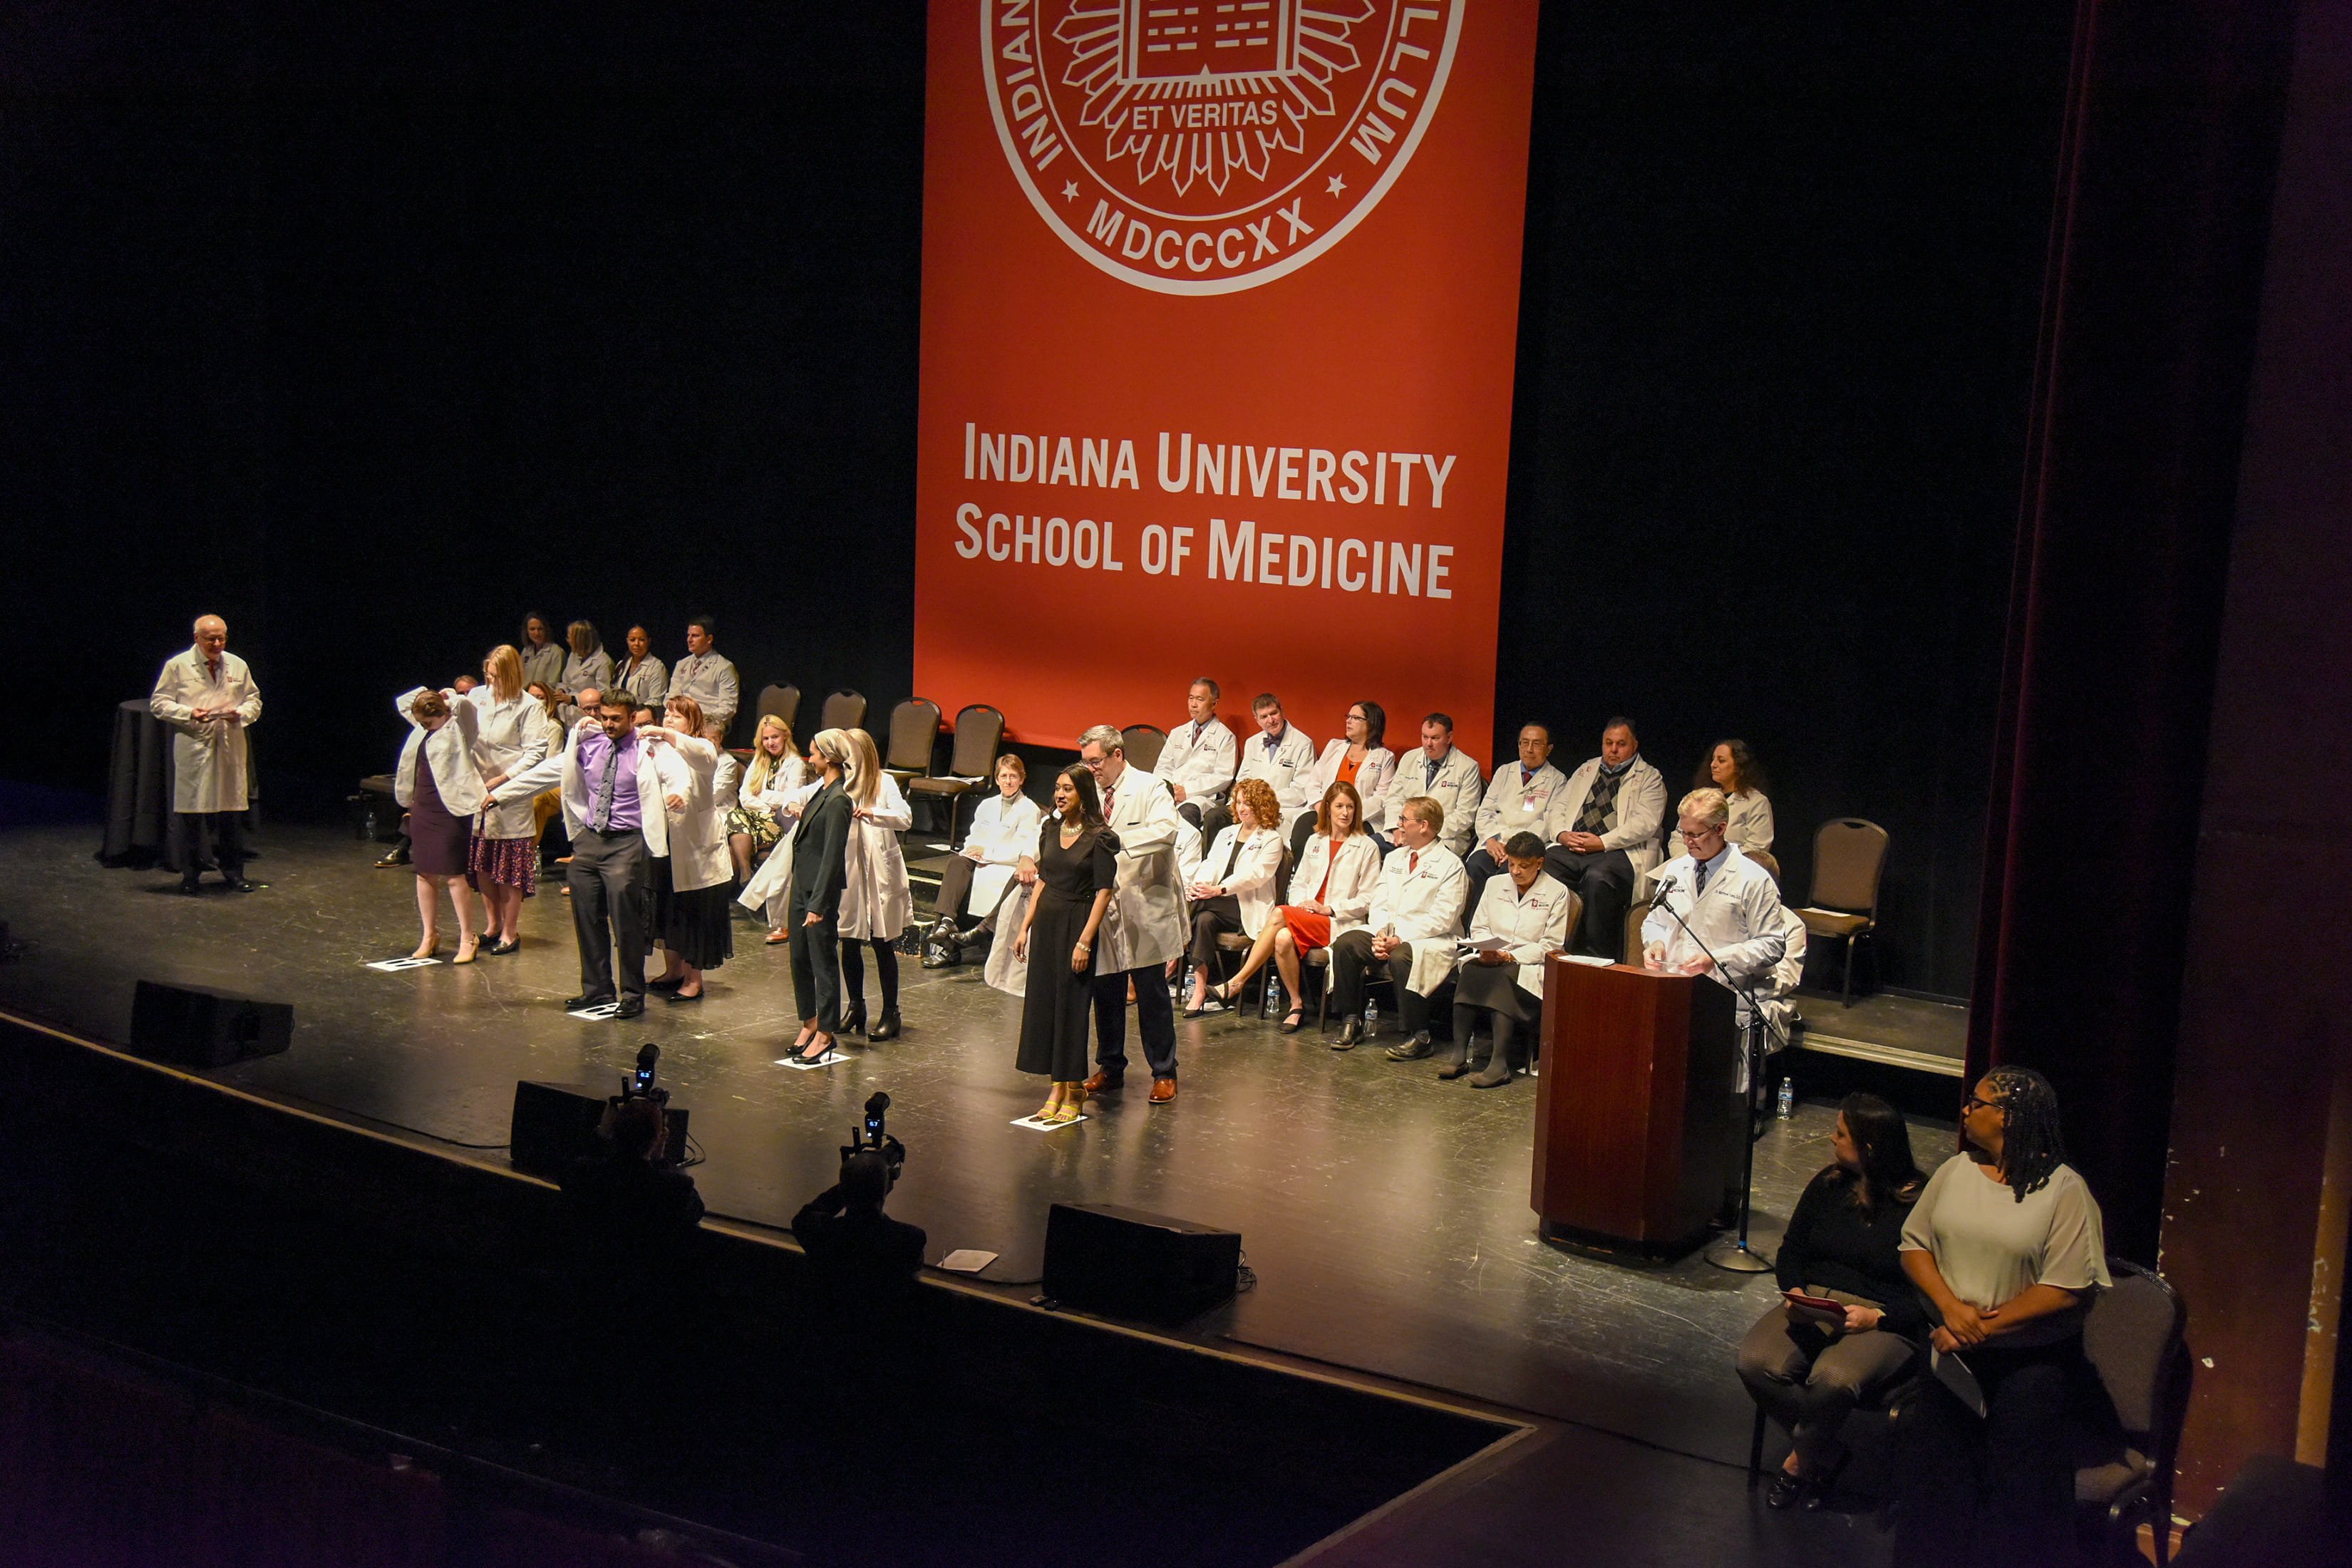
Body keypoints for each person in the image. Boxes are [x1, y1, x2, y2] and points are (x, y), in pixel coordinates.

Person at [1897, 1068, 2111, 1567]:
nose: (1966, 1110)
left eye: (1978, 1102)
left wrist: (1982, 1329)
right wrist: (1951, 1308)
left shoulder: (2064, 1191)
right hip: (1950, 1356)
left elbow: (2065, 1291)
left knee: (2016, 1504)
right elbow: (1914, 1246)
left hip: (2027, 1370)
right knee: (1937, 1489)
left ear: (2010, 1119)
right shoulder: (1956, 1171)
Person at [1737, 1093, 1928, 1510]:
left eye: (1841, 1133)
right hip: (1818, 1303)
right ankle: (1825, 1452)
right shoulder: (1829, 1183)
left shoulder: (1920, 1202)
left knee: (1834, 1378)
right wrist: (1797, 1293)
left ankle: (1799, 1462)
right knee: (1754, 1362)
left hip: (1882, 1316)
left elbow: (1932, 1295)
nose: (1831, 1139)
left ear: (1869, 1147)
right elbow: (1791, 1251)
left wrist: (1878, 1318)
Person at [1070, 725, 1191, 1104]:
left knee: (1152, 992)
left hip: (1144, 902)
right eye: (1086, 763)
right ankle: (1110, 1068)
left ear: (1117, 755)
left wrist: (1117, 842)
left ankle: (1164, 1072)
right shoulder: (1090, 792)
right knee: (1106, 991)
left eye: (1096, 761)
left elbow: (1167, 831)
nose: (1091, 770)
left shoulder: (1150, 787)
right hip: (1105, 904)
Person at [530, 692, 668, 1018]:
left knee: (625, 920)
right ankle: (597, 989)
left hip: (627, 842)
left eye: (615, 718)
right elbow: (547, 772)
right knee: (586, 915)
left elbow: (681, 776)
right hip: (591, 840)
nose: (608, 723)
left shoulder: (645, 751)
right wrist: (501, 791)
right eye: (604, 717)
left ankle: (633, 993)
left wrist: (678, 795)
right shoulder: (590, 746)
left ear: (632, 718)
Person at [1211, 780, 1380, 1034]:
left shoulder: (1367, 846)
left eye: (1350, 807)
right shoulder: (1315, 840)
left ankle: (1237, 982)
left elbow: (1368, 899)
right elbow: (1299, 883)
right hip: (1307, 915)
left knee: (1279, 913)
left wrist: (1329, 909)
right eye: (1339, 806)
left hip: (1339, 921)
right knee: (1281, 938)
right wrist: (1304, 905)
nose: (1345, 813)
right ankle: (1296, 1004)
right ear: (1328, 809)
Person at [1013, 765, 1119, 1123]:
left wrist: (1085, 942)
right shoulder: (1051, 828)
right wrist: (1025, 926)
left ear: (1083, 794)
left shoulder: (1099, 837)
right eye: (1057, 788)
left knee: (1072, 1009)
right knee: (1046, 1006)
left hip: (1077, 924)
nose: (1060, 795)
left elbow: (1104, 892)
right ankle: (1058, 1086)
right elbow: (1043, 879)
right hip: (1046, 924)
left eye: (1068, 790)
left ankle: (1072, 1086)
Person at [1640, 788, 1791, 1030]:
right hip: (1673, 992)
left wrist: (1717, 960)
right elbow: (1655, 921)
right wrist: (1656, 943)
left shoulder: (1754, 879)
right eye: (1683, 833)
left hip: (1724, 999)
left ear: (1720, 829)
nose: (1687, 841)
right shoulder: (1675, 870)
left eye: (1696, 835)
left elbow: (1772, 944)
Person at [1327, 796, 1469, 1052]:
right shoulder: (1395, 859)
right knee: (1346, 943)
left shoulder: (1451, 866)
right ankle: (1351, 1019)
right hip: (1389, 931)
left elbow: (1443, 918)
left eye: (1404, 819)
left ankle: (1419, 1034)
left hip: (1430, 939)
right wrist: (1382, 933)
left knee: (1402, 956)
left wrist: (1399, 938)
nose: (1399, 824)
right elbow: (1379, 902)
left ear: (1424, 825)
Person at [1439, 831, 1572, 1084]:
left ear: (1539, 863)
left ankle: (1499, 1064)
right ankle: (1458, 1056)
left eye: (1524, 866)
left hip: (1529, 965)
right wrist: (1486, 949)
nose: (1516, 871)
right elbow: (1478, 927)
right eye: (1511, 863)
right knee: (1471, 970)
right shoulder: (1494, 884)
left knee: (1505, 975)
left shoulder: (1557, 892)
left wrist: (1509, 955)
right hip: (1492, 956)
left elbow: (1552, 944)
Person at [150, 614, 264, 894]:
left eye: (221, 637)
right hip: (195, 746)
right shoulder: (177, 666)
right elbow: (159, 703)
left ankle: (234, 873)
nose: (217, 643)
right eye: (211, 638)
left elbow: (254, 699)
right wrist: (189, 713)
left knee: (231, 816)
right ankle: (192, 875)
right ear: (197, 638)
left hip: (229, 744)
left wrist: (242, 714)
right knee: (193, 817)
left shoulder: (237, 664)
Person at [1545, 717, 1668, 959]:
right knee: (1544, 864)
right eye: (1608, 743)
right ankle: (1550, 945)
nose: (1613, 750)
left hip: (1618, 852)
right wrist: (1562, 834)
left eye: (1621, 744)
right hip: (1574, 847)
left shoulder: (1650, 778)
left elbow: (1645, 824)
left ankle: (1594, 955)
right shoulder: (1586, 769)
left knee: (1598, 878)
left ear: (1634, 746)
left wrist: (1602, 843)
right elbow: (1559, 806)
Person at [462, 646, 554, 955]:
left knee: (509, 868)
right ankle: (492, 925)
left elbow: (536, 752)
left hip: (510, 794)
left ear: (512, 675)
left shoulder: (528, 707)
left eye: (496, 676)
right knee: (484, 864)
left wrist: (505, 779)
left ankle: (511, 932)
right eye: (487, 674)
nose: (490, 680)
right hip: (477, 790)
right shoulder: (477, 697)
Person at [642, 696, 732, 1004]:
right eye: (666, 714)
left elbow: (690, 777)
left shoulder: (704, 747)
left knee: (695, 914)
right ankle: (674, 971)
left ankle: (695, 979)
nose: (668, 719)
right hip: (665, 842)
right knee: (667, 908)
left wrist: (666, 734)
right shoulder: (657, 751)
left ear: (692, 722)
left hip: (698, 849)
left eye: (676, 716)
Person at [391, 686, 485, 962]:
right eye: (421, 723)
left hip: (451, 808)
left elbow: (468, 708)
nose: (424, 727)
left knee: (454, 875)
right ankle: (429, 935)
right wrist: (428, 694)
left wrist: (450, 698)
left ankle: (468, 937)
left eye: (429, 722)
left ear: (444, 713)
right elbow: (402, 701)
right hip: (423, 805)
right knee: (424, 873)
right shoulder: (423, 729)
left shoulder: (460, 729)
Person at [1180, 777, 1286, 1017]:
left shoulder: (1272, 839)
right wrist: (1202, 885)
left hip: (1245, 906)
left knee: (1200, 903)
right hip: (1215, 903)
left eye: (1248, 803)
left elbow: (1257, 875)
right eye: (1238, 802)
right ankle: (1199, 990)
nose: (1241, 808)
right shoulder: (1227, 832)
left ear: (1262, 805)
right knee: (1204, 919)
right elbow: (1211, 863)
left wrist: (1219, 890)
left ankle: (1178, 944)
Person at [785, 729, 858, 1063]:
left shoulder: (840, 798)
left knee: (822, 963)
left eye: (813, 753)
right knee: (799, 957)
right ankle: (809, 1022)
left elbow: (833, 855)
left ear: (828, 758)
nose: (809, 758)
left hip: (819, 893)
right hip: (802, 885)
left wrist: (818, 904)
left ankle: (826, 1033)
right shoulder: (822, 792)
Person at [926, 753, 1041, 964]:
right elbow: (974, 836)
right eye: (1004, 776)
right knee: (957, 863)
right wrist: (972, 849)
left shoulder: (1029, 809)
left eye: (1013, 776)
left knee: (983, 873)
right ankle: (946, 922)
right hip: (983, 859)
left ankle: (954, 943)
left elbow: (1021, 849)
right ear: (996, 779)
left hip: (1007, 865)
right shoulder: (987, 805)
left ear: (1022, 779)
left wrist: (986, 852)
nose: (1008, 781)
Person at [837, 728, 914, 1041]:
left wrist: (873, 812)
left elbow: (905, 818)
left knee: (883, 942)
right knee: (849, 940)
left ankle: (891, 1013)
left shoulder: (884, 782)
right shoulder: (840, 781)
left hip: (879, 871)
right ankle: (856, 1005)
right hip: (851, 870)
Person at [1463, 723, 1570, 908]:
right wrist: (1490, 840)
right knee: (1476, 864)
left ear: (1549, 749)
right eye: (1525, 743)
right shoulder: (1505, 771)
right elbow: (1485, 810)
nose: (1529, 749)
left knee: (1508, 874)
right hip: (1495, 843)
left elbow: (1548, 822)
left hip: (1525, 848)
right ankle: (1475, 929)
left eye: (1536, 744)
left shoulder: (1557, 780)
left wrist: (1514, 847)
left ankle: (1500, 929)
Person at [793, 1147, 927, 1295]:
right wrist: (876, 1173)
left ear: (843, 1191)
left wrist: (855, 1178)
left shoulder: (822, 1233)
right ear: (886, 1189)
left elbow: (806, 1216)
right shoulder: (910, 1240)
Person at [1199, 693, 1318, 845]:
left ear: (1281, 711)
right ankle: (1212, 865)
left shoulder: (1303, 743)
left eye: (1274, 713)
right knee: (1213, 817)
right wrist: (1244, 801)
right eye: (1264, 717)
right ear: (1257, 720)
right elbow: (1242, 780)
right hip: (1248, 805)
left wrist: (1262, 801)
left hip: (1280, 807)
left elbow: (1300, 790)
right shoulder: (1252, 743)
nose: (1271, 720)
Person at [1301, 701, 1397, 862]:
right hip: (1324, 812)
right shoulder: (1334, 746)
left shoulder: (1384, 757)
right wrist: (1321, 807)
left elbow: (1382, 798)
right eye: (1349, 716)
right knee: (1302, 831)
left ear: (1371, 723)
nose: (1348, 721)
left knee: (1347, 849)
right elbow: (1313, 782)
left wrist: (1349, 813)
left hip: (1360, 819)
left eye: (1355, 718)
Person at [1154, 676, 1239, 834]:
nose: (1193, 704)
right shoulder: (1178, 732)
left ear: (1214, 704)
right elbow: (1163, 766)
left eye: (1200, 699)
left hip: (1201, 797)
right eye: (1191, 698)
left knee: (1183, 817)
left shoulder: (1225, 737)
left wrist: (1187, 791)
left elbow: (1223, 777)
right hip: (1171, 793)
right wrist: (1169, 789)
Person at [1396, 713, 1486, 858]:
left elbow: (1465, 815)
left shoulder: (1468, 767)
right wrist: (1398, 828)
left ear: (1449, 738)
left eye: (1435, 738)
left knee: (1423, 859)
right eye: (1425, 737)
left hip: (1446, 837)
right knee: (1374, 846)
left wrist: (1425, 834)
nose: (1428, 744)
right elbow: (1394, 798)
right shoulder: (1409, 759)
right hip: (1404, 833)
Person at [1667, 739, 1775, 860]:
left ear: (1739, 766)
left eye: (1721, 760)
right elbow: (1678, 837)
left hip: (1732, 871)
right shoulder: (1700, 798)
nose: (1713, 764)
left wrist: (1714, 860)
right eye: (1713, 759)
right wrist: (1691, 860)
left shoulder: (1757, 803)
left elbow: (1757, 849)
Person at [726, 715, 800, 888]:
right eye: (766, 738)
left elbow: (791, 799)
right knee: (735, 814)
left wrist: (763, 795)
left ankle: (745, 876)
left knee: (735, 831)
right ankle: (746, 873)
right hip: (759, 816)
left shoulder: (795, 763)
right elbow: (744, 797)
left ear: (785, 736)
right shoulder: (758, 762)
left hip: (780, 821)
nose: (770, 743)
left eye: (775, 737)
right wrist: (767, 809)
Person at [671, 615, 738, 743]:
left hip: (707, 723)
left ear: (709, 639)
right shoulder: (682, 664)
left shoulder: (724, 667)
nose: (690, 640)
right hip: (681, 721)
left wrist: (699, 721)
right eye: (689, 635)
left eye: (695, 636)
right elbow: (673, 696)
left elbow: (728, 707)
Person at [554, 619, 614, 725]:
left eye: (569, 637)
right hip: (565, 711)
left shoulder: (603, 662)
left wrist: (573, 699)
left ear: (579, 640)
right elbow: (566, 681)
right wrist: (561, 690)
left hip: (588, 714)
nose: (567, 640)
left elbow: (604, 694)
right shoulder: (574, 656)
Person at [613, 624, 669, 711]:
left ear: (648, 641)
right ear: (627, 641)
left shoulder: (657, 667)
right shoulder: (622, 664)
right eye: (632, 640)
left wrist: (635, 712)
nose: (636, 644)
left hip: (642, 717)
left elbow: (656, 702)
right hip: (620, 715)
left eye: (642, 640)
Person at [517, 611, 565, 692]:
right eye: (532, 629)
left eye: (540, 629)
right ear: (527, 631)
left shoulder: (556, 652)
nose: (537, 633)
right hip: (525, 696)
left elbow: (553, 685)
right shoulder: (526, 651)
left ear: (546, 630)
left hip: (543, 698)